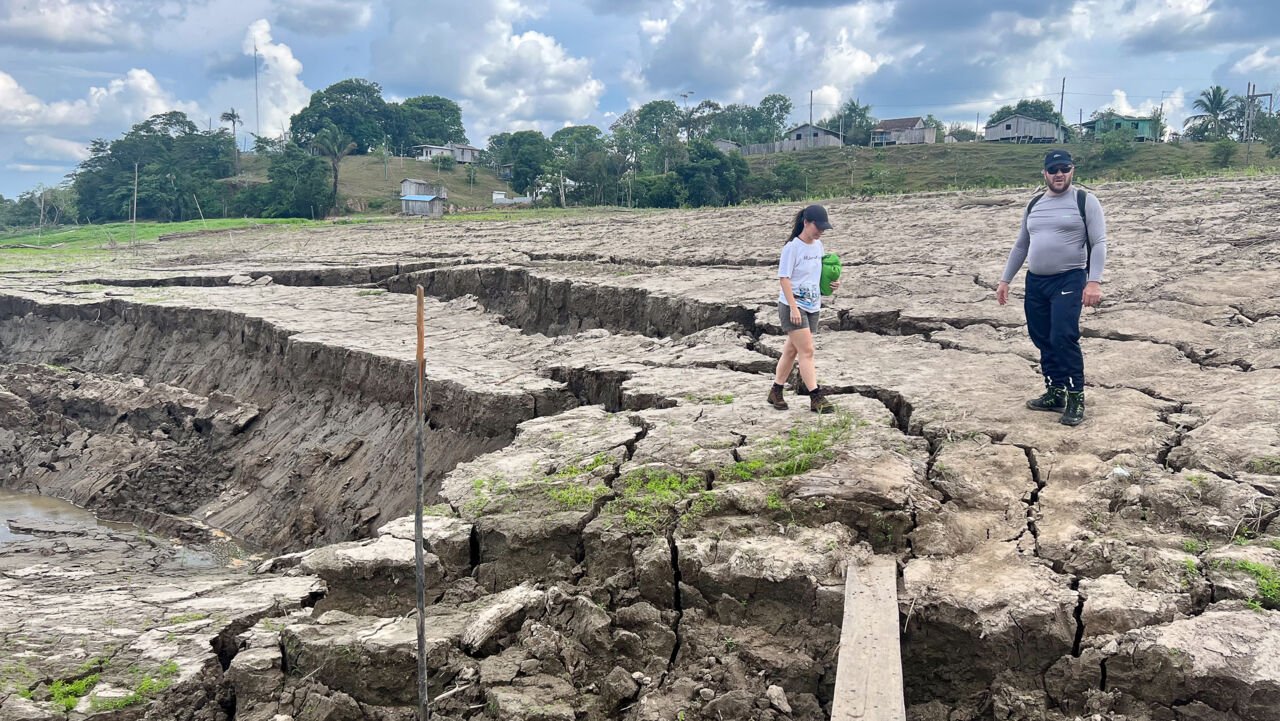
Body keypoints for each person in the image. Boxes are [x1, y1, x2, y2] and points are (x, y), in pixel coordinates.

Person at [995, 149, 1108, 426]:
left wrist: (1094, 281)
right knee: (1042, 337)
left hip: (1069, 279)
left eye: (1064, 168)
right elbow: (1022, 244)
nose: (1059, 174)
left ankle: (1075, 398)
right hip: (1036, 281)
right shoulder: (1034, 204)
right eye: (1053, 170)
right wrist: (1005, 279)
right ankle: (1054, 392)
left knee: (1062, 336)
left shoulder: (1084, 201)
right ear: (1044, 173)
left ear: (1072, 171)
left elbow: (1099, 242)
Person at [768, 204, 839, 414]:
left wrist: (831, 285)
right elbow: (784, 278)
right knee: (807, 351)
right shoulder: (792, 247)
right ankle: (816, 397)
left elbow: (817, 275)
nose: (821, 231)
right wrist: (793, 308)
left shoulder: (818, 246)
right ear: (806, 222)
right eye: (818, 227)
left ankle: (776, 391)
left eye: (824, 228)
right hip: (794, 306)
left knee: (791, 351)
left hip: (812, 305)